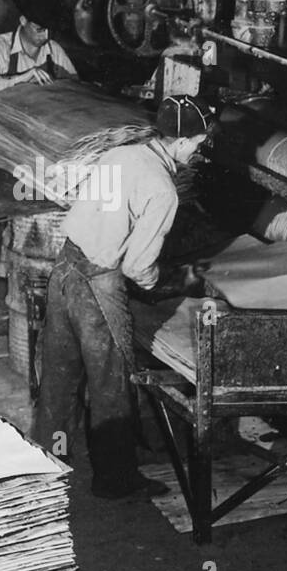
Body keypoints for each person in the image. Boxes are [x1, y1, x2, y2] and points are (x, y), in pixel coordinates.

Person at [32, 96, 210, 500]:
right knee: (110, 384)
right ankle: (114, 480)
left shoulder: (120, 154)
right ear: (182, 142)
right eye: (198, 143)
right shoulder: (164, 190)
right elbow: (137, 267)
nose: (198, 150)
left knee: (60, 377)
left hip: (65, 268)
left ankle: (39, 468)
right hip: (98, 286)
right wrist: (172, 282)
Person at [0, 0, 79, 288]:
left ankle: (25, 270)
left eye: (50, 29)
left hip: (33, 144)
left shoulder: (54, 52)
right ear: (23, 21)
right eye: (39, 28)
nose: (45, 36)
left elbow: (77, 89)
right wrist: (20, 79)